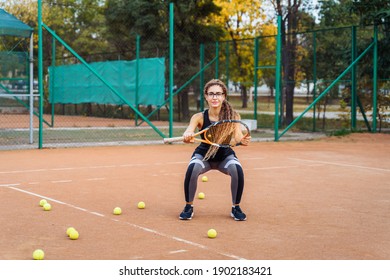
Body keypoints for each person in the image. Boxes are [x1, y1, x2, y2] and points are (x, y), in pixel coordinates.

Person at [179, 79, 251, 221]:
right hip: (203, 156)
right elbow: (189, 131)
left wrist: (241, 141)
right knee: (192, 168)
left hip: (225, 157)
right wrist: (187, 135)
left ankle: (236, 207)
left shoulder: (233, 116)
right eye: (211, 94)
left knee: (237, 170)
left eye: (218, 94)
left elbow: (237, 137)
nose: (215, 97)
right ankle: (188, 207)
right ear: (206, 96)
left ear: (224, 96)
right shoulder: (198, 117)